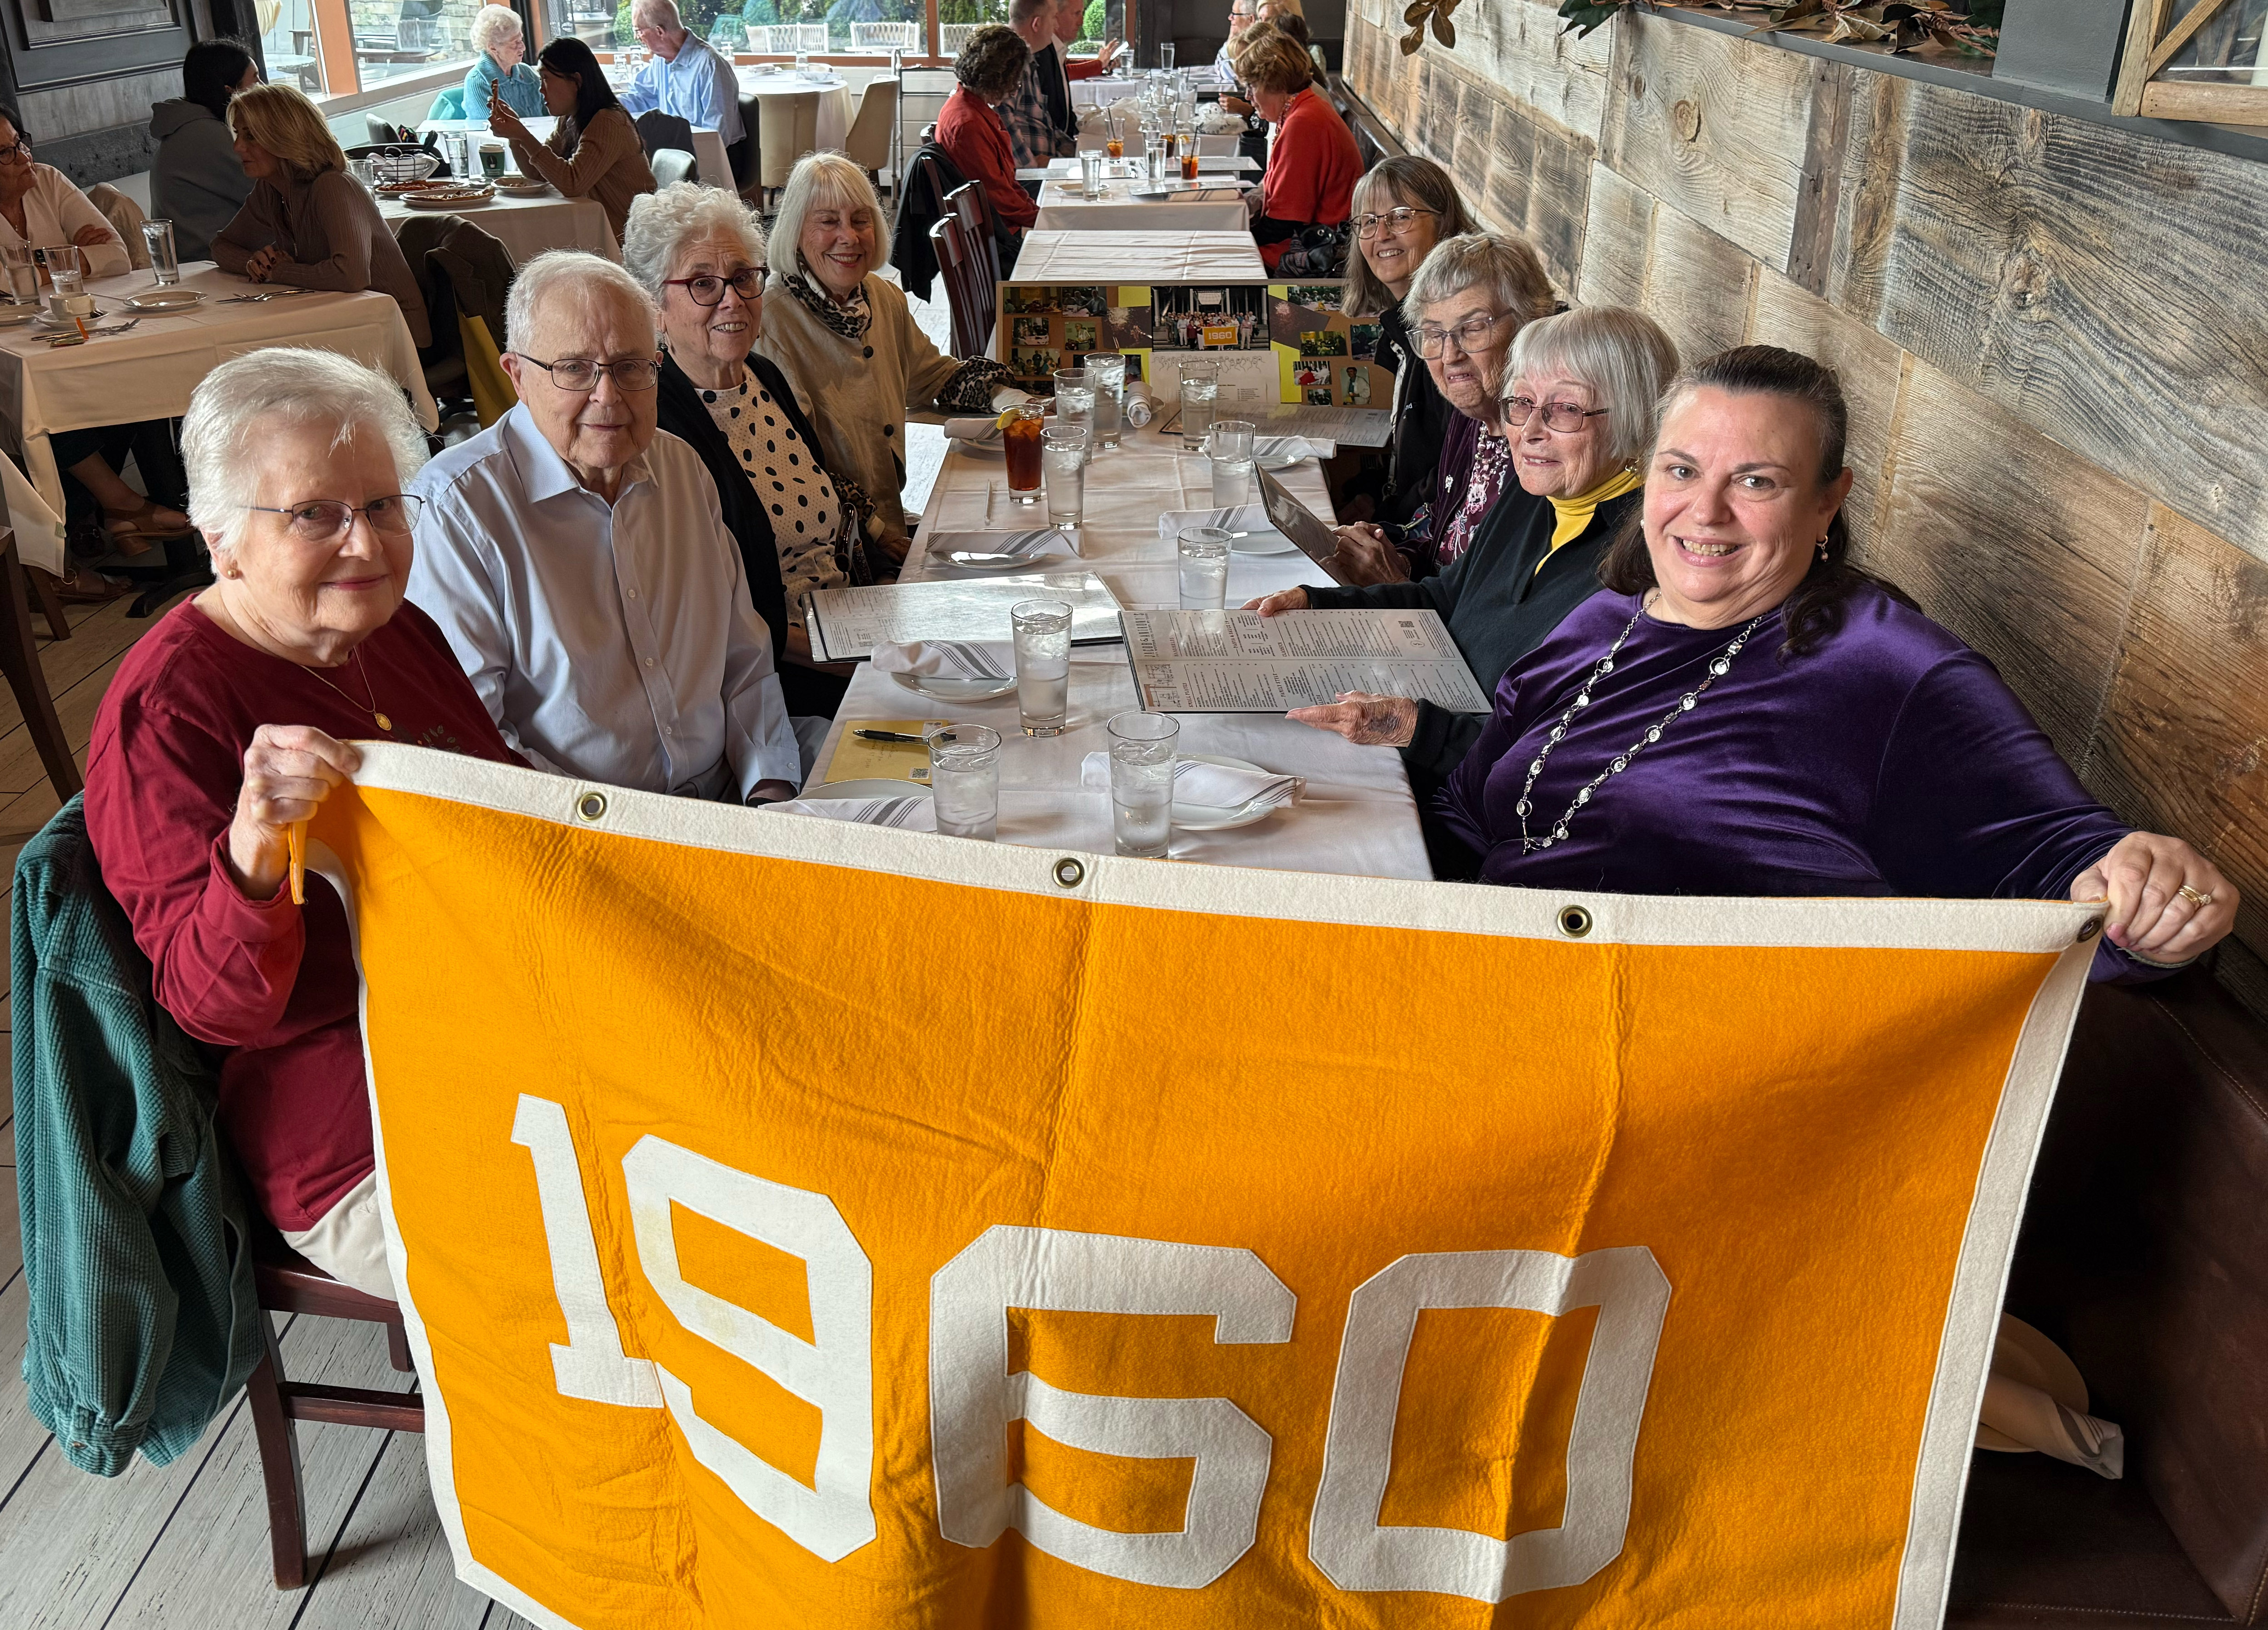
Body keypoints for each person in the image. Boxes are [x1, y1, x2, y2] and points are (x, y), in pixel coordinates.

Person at [1433, 343, 2240, 976]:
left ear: (1828, 500)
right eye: (1681, 470)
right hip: (1501, 987)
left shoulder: (1888, 666)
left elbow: (2064, 865)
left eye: (1755, 481)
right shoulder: (1602, 618)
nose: (1703, 511)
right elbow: (1472, 810)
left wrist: (2152, 898)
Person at [85, 350, 521, 1298]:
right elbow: (213, 1009)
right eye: (315, 513)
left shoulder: (394, 628)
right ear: (221, 539)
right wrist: (251, 850)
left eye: (383, 505)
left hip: (508, 1029)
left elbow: (504, 805)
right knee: (622, 1260)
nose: (365, 545)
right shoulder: (169, 707)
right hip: (355, 1120)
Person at [408, 251, 803, 801]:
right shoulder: (460, 510)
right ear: (517, 376)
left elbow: (743, 658)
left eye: (630, 366)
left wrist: (771, 787)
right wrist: (622, 837)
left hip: (732, 796)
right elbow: (476, 739)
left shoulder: (683, 468)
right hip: (589, 833)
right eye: (574, 368)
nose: (608, 396)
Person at [1255, 307, 1676, 804]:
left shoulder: (1644, 570)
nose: (1529, 430)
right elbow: (1446, 596)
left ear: (1634, 415)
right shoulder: (1535, 492)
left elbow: (1563, 764)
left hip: (1464, 799)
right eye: (1521, 402)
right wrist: (1320, 605)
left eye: (1565, 409)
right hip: (1407, 726)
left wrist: (1411, 726)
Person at [627, 184, 869, 722]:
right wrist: (873, 664)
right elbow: (718, 622)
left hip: (849, 628)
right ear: (654, 305)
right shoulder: (659, 428)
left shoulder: (763, 376)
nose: (732, 299)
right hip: (779, 686)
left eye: (741, 277)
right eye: (703, 284)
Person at [753, 153, 1014, 563]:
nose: (850, 237)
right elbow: (796, 467)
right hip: (837, 546)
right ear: (795, 232)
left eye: (861, 220)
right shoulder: (770, 323)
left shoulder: (880, 296)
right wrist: (874, 533)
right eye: (828, 222)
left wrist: (1007, 398)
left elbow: (932, 376)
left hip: (891, 522)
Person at [1352, 232, 1555, 582]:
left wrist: (1395, 586)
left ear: (1529, 325)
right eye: (1433, 334)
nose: (1450, 356)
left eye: (1473, 329)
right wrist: (1395, 555)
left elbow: (1498, 616)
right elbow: (1445, 538)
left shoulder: (1544, 449)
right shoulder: (1472, 418)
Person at [213, 84, 430, 346]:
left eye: (251, 136)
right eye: (238, 134)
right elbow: (221, 247)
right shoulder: (270, 189)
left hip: (396, 338)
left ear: (284, 137)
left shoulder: (332, 185)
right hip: (341, 325)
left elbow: (351, 276)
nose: (237, 147)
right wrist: (254, 263)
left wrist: (279, 272)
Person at [1339, 155, 1476, 538]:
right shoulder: (1403, 326)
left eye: (1400, 217)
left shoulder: (1455, 338)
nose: (1381, 234)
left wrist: (1385, 521)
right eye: (1367, 222)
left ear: (1444, 223)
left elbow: (1453, 473)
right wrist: (1369, 494)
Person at [489, 37, 657, 244]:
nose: (541, 89)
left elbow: (572, 184)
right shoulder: (569, 119)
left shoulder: (608, 121)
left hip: (631, 242)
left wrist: (524, 135)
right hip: (598, 231)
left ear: (576, 81)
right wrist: (515, 137)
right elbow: (537, 175)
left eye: (546, 79)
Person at [1234, 27, 1358, 274]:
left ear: (1274, 84)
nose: (1248, 97)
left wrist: (1238, 239)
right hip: (1307, 240)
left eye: (1251, 86)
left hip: (1314, 250)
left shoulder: (1304, 122)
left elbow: (1285, 222)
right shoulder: (1303, 109)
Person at [150, 39, 257, 263]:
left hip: (209, 258)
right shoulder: (206, 135)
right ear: (231, 92)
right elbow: (278, 194)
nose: (263, 87)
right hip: (209, 265)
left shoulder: (189, 126)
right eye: (255, 79)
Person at [620, 0, 748, 179]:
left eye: (639, 30)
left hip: (716, 157)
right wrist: (604, 102)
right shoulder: (661, 60)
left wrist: (674, 154)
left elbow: (717, 135)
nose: (637, 37)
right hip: (674, 152)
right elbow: (641, 98)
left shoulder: (709, 65)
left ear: (660, 31)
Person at [0, 105, 127, 279]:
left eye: (19, 143)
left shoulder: (48, 180)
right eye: (4, 153)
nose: (24, 158)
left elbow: (117, 255)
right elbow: (4, 285)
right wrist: (72, 256)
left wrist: (40, 266)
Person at [938, 26, 1039, 243]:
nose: (1015, 90)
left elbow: (1004, 187)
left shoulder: (968, 106)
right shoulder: (968, 125)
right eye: (1014, 80)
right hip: (996, 236)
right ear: (997, 76)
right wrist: (1043, 219)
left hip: (996, 222)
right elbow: (998, 198)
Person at [997, 0, 1071, 170]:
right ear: (1036, 24)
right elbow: (1001, 118)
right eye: (1054, 18)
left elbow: (1040, 117)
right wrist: (1032, 167)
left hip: (1045, 166)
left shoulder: (1027, 59)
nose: (1057, 25)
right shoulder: (1010, 63)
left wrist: (1072, 148)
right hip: (1030, 177)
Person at [463, 3, 545, 123]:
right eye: (515, 43)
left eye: (521, 39)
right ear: (493, 48)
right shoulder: (478, 81)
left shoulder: (526, 73)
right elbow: (494, 128)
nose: (523, 47)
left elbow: (549, 114)